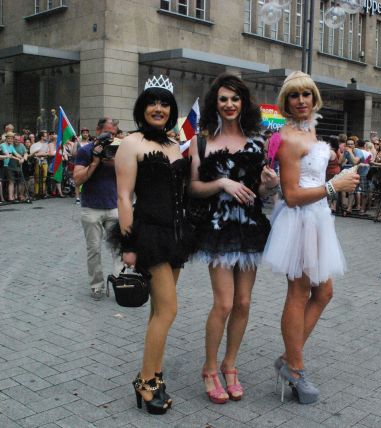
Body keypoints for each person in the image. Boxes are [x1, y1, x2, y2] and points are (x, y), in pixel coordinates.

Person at [263, 71, 359, 405]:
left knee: (325, 291)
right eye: (294, 95)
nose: (301, 100)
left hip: (318, 219)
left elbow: (310, 178)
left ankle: (289, 359)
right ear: (285, 101)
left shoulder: (310, 130)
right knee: (299, 292)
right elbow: (291, 196)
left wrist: (334, 179)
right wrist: (335, 185)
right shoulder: (288, 138)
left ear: (314, 98)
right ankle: (296, 368)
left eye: (306, 94)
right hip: (300, 221)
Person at [189, 74, 278, 404]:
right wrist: (222, 183)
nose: (229, 104)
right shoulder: (202, 142)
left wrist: (269, 184)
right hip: (217, 229)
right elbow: (193, 188)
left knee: (243, 302)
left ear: (243, 103)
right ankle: (209, 367)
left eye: (235, 98)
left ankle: (230, 364)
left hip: (250, 226)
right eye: (223, 99)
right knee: (224, 303)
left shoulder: (257, 142)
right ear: (215, 103)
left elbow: (258, 192)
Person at [112, 76, 194, 415]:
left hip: (176, 234)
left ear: (171, 110)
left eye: (164, 104)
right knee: (168, 310)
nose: (158, 108)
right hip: (149, 234)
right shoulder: (130, 143)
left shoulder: (174, 144)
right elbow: (123, 197)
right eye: (152, 103)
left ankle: (155, 375)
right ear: (142, 108)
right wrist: (128, 244)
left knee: (159, 310)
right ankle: (145, 381)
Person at [73, 118, 120, 301]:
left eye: (113, 134)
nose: (110, 137)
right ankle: (96, 286)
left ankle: (119, 284)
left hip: (114, 206)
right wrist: (94, 162)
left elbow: (131, 175)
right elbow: (77, 179)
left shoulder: (119, 150)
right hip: (91, 208)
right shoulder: (86, 151)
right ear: (98, 130)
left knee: (119, 249)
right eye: (107, 133)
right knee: (94, 249)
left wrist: (114, 161)